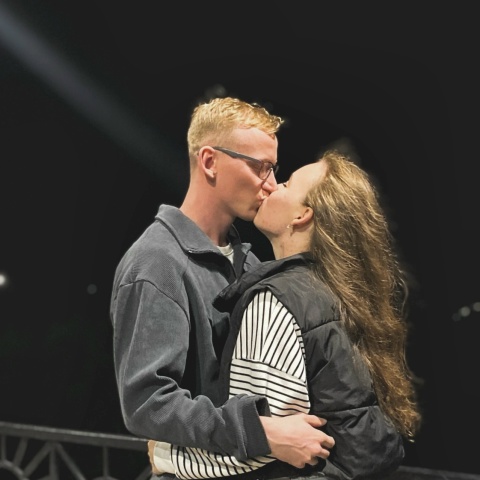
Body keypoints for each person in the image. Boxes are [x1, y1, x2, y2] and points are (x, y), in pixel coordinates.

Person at [148, 150, 422, 480]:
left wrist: (167, 456)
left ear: (303, 215)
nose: (272, 186)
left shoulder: (276, 300)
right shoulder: (341, 294)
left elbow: (266, 444)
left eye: (288, 184)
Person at [110, 96, 335, 480]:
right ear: (210, 161)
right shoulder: (156, 263)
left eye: (274, 169)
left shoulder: (249, 262)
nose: (270, 184)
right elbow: (146, 404)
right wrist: (261, 433)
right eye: (260, 167)